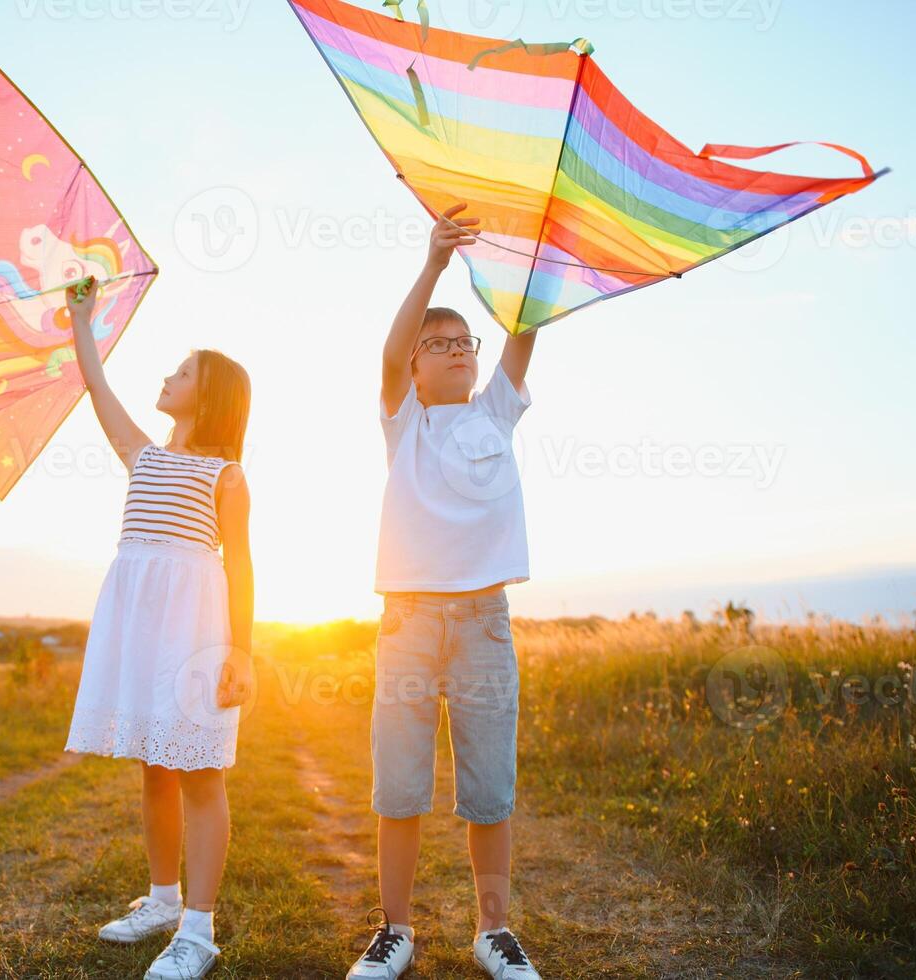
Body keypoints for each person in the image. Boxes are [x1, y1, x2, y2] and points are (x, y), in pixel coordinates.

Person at [346, 205, 541, 980]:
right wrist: (432, 263)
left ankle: (491, 932)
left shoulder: (494, 411)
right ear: (418, 368)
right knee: (399, 785)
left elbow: (526, 329)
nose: (456, 352)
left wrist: (529, 266)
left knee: (488, 789)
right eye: (440, 344)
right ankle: (394, 931)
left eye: (465, 342)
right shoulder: (404, 422)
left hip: (484, 623)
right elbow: (387, 355)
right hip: (408, 623)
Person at [60, 276, 256, 980]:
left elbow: (241, 567)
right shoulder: (143, 456)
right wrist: (81, 320)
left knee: (200, 771)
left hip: (193, 631)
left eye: (181, 373)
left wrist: (240, 651)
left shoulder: (225, 475)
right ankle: (161, 898)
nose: (166, 378)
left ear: (208, 397)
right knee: (154, 766)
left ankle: (198, 932)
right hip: (138, 625)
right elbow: (95, 387)